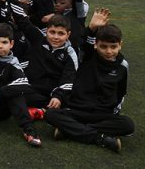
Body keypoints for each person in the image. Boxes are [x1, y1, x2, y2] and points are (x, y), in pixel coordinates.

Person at [45, 11, 135, 153]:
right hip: (77, 110)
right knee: (50, 114)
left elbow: (121, 92)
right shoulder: (86, 57)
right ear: (96, 45)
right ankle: (101, 138)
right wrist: (92, 28)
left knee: (128, 125)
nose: (108, 51)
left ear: (120, 45)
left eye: (113, 47)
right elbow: (83, 42)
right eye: (103, 46)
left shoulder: (123, 66)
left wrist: (113, 111)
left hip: (102, 114)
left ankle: (69, 130)